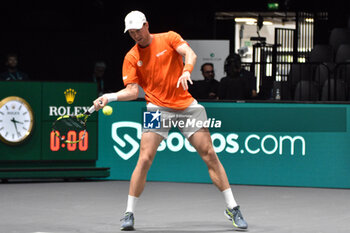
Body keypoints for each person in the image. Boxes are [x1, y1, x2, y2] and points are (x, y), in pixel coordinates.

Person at [93, 11, 248, 231]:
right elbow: (132, 91)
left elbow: (190, 54)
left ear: (147, 25)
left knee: (210, 154)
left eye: (138, 30)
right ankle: (128, 213)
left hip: (186, 106)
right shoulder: (131, 57)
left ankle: (232, 207)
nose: (135, 35)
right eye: (131, 32)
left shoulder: (169, 38)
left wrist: (186, 71)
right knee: (144, 158)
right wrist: (110, 97)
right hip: (156, 108)